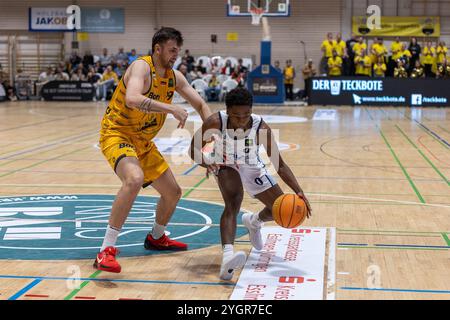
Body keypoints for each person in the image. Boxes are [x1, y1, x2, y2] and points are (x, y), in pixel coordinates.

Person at [95, 27, 212, 273]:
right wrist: (171, 109)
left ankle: (156, 238)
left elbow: (201, 104)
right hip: (117, 133)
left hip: (143, 141)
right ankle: (106, 249)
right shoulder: (141, 67)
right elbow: (133, 98)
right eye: (171, 50)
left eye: (177, 51)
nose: (175, 56)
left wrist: (212, 136)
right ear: (157, 49)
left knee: (173, 193)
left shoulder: (174, 77)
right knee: (134, 179)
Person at [189, 87, 312, 280]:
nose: (242, 120)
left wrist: (299, 191)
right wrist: (207, 161)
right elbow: (193, 150)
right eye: (237, 116)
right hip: (225, 163)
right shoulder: (215, 121)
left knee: (279, 208)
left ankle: (254, 221)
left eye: (246, 115)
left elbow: (279, 165)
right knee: (233, 203)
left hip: (252, 164)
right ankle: (227, 259)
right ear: (227, 111)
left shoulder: (260, 128)